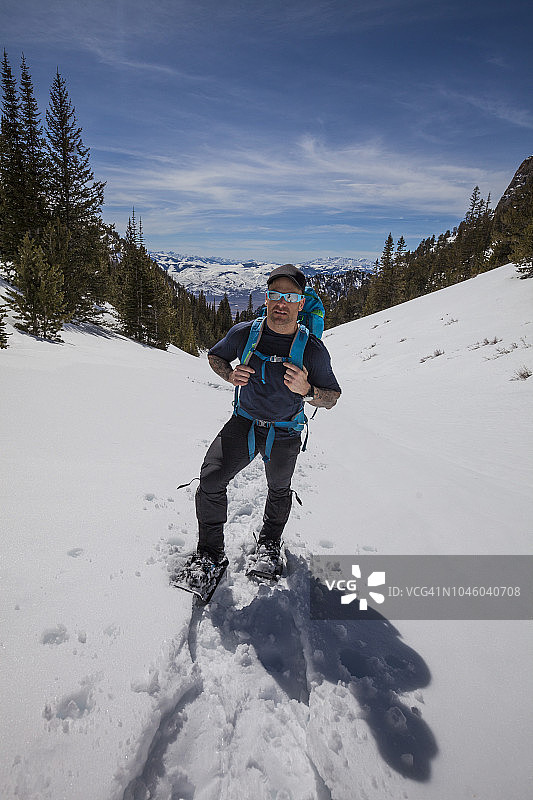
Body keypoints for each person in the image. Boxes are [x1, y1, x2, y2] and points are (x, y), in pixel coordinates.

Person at [188, 264, 341, 592]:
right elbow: (215, 356)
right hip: (244, 422)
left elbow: (332, 397)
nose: (282, 302)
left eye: (290, 296)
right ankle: (210, 554)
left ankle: (269, 544)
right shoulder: (245, 333)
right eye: (275, 294)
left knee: (279, 489)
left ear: (301, 303)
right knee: (211, 479)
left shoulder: (312, 350)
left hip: (285, 431)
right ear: (267, 298)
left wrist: (308, 390)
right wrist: (230, 375)